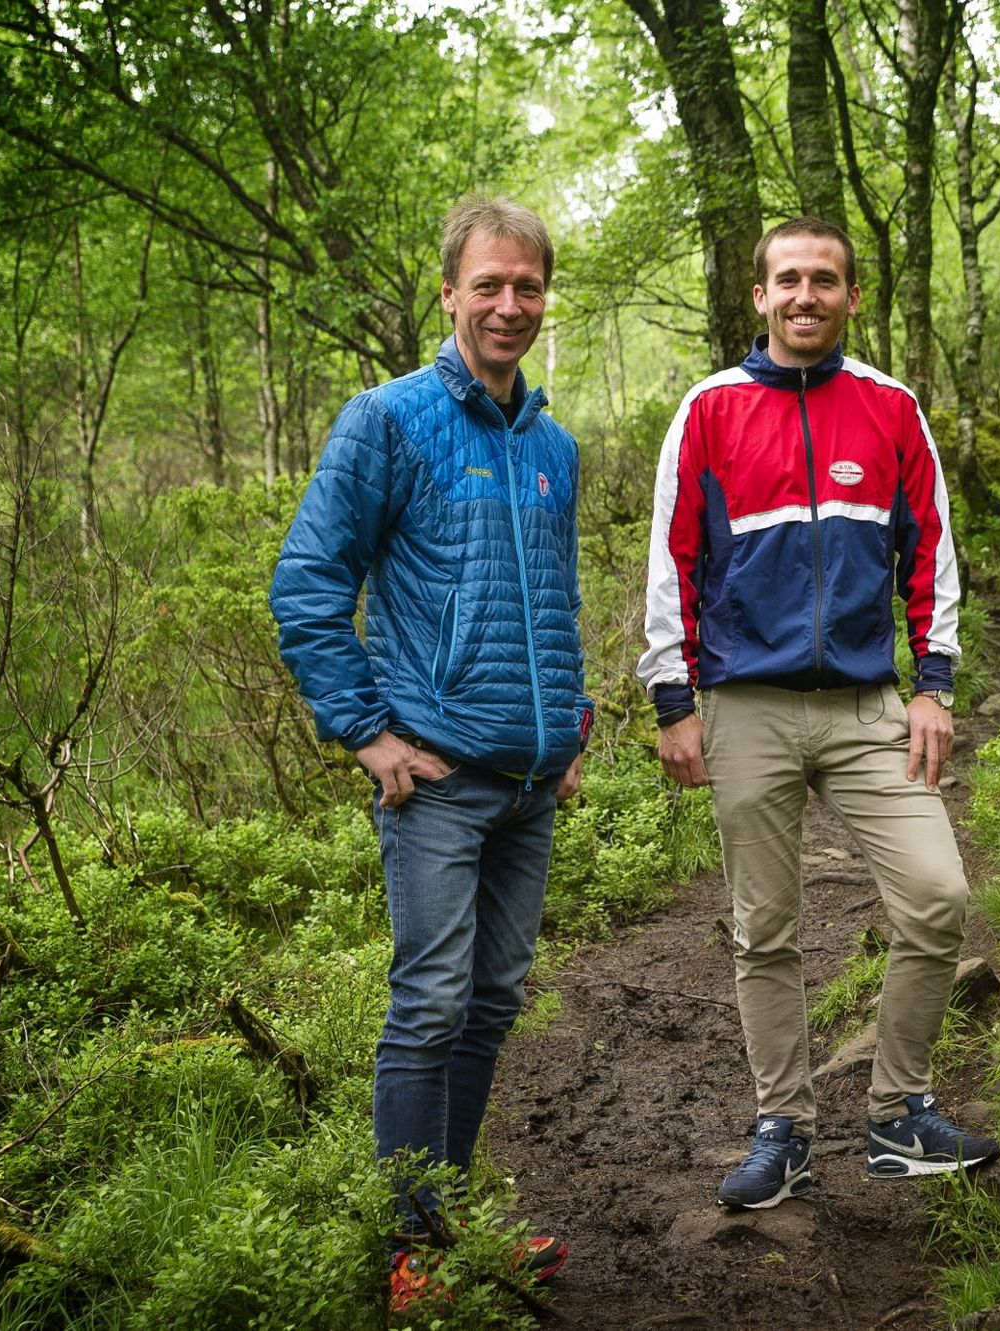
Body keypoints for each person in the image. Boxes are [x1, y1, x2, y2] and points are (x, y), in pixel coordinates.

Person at [639, 216, 1000, 1210]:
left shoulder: (889, 407)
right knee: (766, 928)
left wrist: (932, 682)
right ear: (757, 296)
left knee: (934, 895)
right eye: (787, 280)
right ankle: (783, 1128)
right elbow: (671, 555)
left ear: (849, 295)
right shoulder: (707, 410)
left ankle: (897, 1113)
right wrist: (672, 699)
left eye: (825, 280)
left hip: (862, 701)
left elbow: (930, 548)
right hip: (742, 705)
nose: (805, 295)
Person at [269, 195, 587, 1298]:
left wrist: (574, 722)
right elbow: (308, 587)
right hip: (438, 780)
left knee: (492, 997)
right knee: (431, 1000)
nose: (508, 305)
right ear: (447, 291)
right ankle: (411, 1248)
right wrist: (366, 732)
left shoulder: (553, 444)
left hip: (529, 782)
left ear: (545, 297)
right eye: (488, 284)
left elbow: (551, 595)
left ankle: (450, 1222)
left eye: (527, 286)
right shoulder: (388, 420)